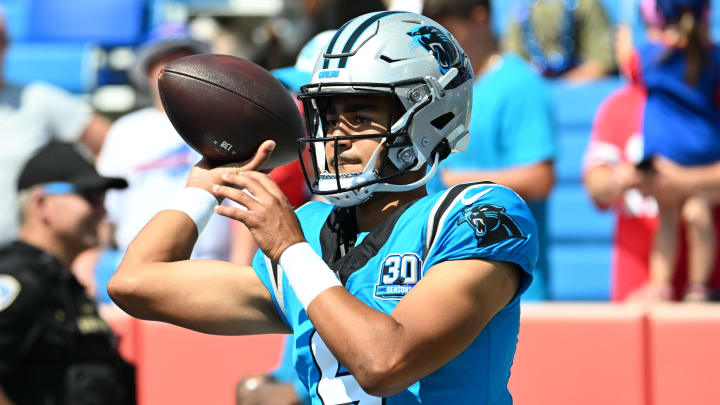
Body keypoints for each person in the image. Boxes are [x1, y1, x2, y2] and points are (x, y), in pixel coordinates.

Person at [108, 11, 538, 404]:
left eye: (359, 115)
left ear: (432, 116)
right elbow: (135, 283)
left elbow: (385, 364)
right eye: (328, 118)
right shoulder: (314, 227)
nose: (337, 136)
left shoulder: (476, 215)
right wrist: (202, 188)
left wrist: (291, 251)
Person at [583, 0, 720, 301]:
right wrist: (622, 179)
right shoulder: (617, 106)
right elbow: (597, 186)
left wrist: (680, 180)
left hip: (711, 312)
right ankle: (667, 286)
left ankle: (692, 287)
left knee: (694, 212)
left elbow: (627, 59)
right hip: (636, 301)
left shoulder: (711, 94)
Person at [422, 0, 556, 300]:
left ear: (479, 17)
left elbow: (540, 178)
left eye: (447, 27)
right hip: (446, 287)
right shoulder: (438, 89)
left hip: (512, 290)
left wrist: (458, 184)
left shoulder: (520, 85)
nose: (438, 41)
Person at [0, 142, 135, 404]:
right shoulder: (19, 280)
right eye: (90, 197)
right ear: (41, 204)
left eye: (103, 198)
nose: (103, 210)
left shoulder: (65, 285)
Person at [97, 23, 243, 263]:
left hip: (213, 270)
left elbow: (244, 202)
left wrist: (240, 268)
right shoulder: (125, 131)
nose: (178, 69)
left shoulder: (225, 125)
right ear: (147, 71)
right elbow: (107, 214)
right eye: (166, 62)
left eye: (186, 60)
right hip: (140, 271)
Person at [0, 8, 111, 245]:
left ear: (7, 44)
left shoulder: (38, 100)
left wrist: (92, 218)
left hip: (23, 263)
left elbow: (110, 144)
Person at [502, 0, 615, 82]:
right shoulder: (519, 10)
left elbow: (603, 64)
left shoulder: (587, 5)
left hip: (581, 96)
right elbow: (513, 68)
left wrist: (562, 83)